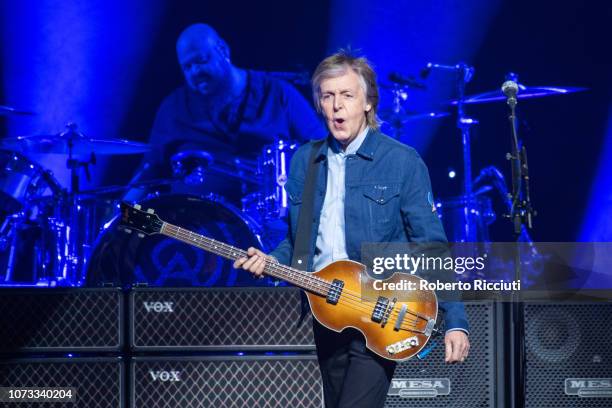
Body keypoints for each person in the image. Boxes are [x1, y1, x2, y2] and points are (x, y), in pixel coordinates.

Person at [234, 51, 470, 408]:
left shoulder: (402, 160)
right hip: (327, 311)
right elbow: (296, 240)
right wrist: (270, 260)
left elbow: (432, 246)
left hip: (382, 310)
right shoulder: (306, 161)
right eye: (327, 96)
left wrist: (455, 320)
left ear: (368, 103)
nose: (336, 106)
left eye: (347, 95)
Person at [125, 23, 326, 203]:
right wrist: (121, 214)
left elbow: (322, 151)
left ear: (222, 50)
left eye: (201, 61)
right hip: (197, 227)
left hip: (271, 223)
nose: (195, 72)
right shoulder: (173, 108)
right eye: (187, 67)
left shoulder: (277, 93)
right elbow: (149, 171)